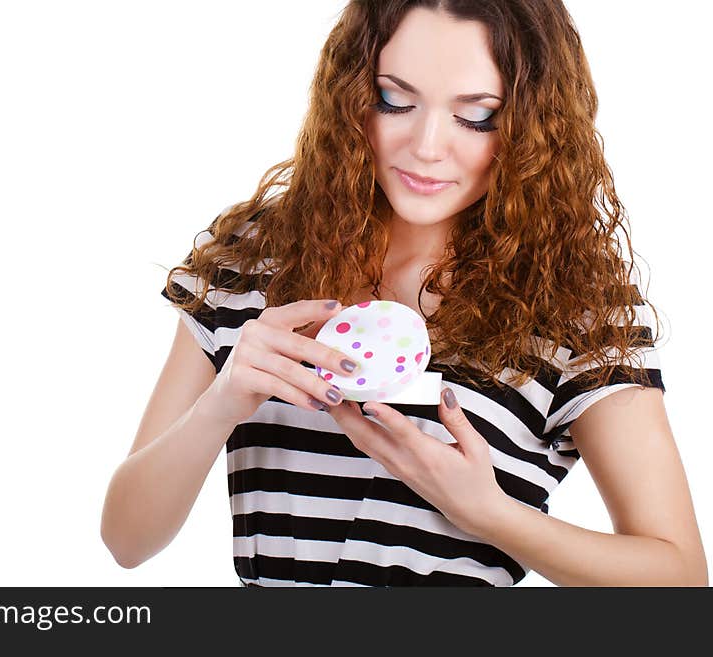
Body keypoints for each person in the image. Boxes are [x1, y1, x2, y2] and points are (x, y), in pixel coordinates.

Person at [101, 0, 708, 586]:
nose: (425, 145)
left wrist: (489, 513)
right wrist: (224, 399)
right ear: (351, 96)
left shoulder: (576, 304)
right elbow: (126, 539)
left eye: (477, 115)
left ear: (532, 125)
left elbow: (678, 580)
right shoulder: (256, 253)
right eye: (394, 99)